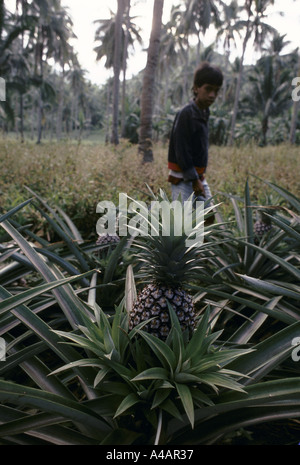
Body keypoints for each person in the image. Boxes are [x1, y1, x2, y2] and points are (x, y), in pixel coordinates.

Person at [167, 62, 223, 211]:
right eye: (208, 89)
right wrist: (194, 179)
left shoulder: (204, 112)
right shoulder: (187, 114)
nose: (212, 95)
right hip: (183, 178)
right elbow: (182, 150)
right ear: (196, 88)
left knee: (208, 215)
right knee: (181, 222)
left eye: (216, 91)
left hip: (197, 177)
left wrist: (197, 178)